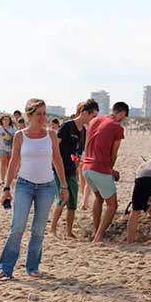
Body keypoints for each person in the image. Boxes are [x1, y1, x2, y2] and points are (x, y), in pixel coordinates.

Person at [0, 99, 68, 279]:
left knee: (38, 229)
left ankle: (32, 267)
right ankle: (5, 268)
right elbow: (14, 162)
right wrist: (6, 188)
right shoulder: (20, 135)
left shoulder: (51, 135)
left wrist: (64, 185)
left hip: (47, 186)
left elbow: (57, 160)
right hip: (24, 185)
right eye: (39, 114)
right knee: (17, 226)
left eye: (45, 113)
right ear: (29, 115)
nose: (43, 117)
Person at [50, 98, 99, 238]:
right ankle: (53, 229)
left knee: (72, 203)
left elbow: (78, 152)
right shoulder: (66, 126)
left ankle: (68, 231)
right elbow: (55, 147)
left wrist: (80, 161)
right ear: (84, 113)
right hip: (60, 169)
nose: (93, 119)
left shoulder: (83, 131)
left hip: (72, 170)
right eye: (93, 116)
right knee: (62, 199)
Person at [82, 102, 129, 244]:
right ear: (121, 113)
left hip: (87, 166)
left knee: (98, 198)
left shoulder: (95, 120)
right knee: (112, 205)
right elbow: (114, 153)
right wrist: (110, 170)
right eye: (124, 117)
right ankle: (99, 236)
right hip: (100, 167)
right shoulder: (117, 127)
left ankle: (96, 232)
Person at [0, 115, 16, 184]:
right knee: (3, 163)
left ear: (10, 121)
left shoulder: (13, 129)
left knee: (9, 164)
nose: (6, 121)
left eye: (7, 119)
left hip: (11, 148)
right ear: (1, 121)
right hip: (2, 148)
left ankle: (8, 179)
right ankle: (2, 180)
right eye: (4, 119)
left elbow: (16, 138)